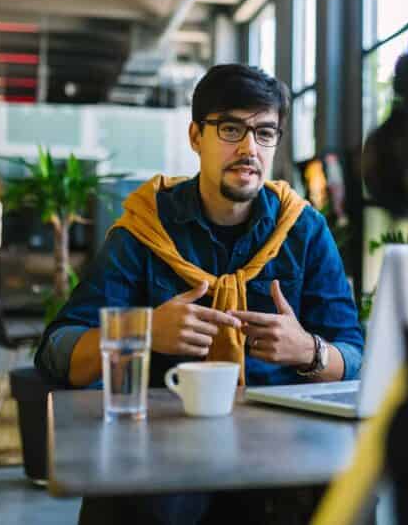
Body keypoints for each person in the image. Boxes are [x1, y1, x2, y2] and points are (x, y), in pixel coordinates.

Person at [34, 63, 364, 524]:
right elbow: (56, 351)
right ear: (195, 136)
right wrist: (144, 331)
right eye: (231, 128)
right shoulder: (145, 228)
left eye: (265, 133)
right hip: (163, 449)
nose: (250, 148)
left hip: (282, 448)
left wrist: (308, 351)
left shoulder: (304, 230)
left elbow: (356, 356)